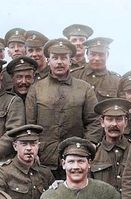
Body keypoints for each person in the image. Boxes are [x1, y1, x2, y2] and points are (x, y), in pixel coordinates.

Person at [25, 38, 100, 177]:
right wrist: (34, 152)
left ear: (70, 60)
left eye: (64, 58)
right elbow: (30, 125)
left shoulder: (84, 88)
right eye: (55, 58)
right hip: (44, 160)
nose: (59, 62)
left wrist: (87, 147)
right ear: (48, 60)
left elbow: (94, 121)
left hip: (75, 159)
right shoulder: (37, 88)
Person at [91, 97, 131, 191]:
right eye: (109, 119)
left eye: (119, 119)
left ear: (125, 122)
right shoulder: (94, 153)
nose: (114, 124)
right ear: (102, 122)